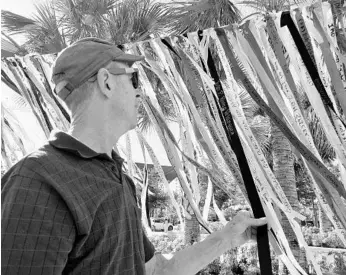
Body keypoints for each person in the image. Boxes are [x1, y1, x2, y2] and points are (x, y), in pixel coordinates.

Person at [1, 37, 268, 275]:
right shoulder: (38, 180)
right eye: (133, 78)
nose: (139, 91)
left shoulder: (117, 178)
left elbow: (158, 270)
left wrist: (229, 237)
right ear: (106, 82)